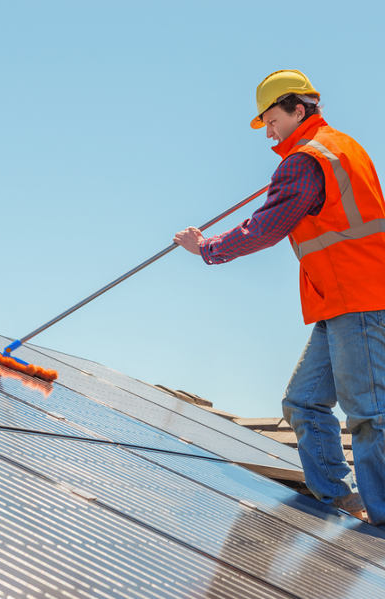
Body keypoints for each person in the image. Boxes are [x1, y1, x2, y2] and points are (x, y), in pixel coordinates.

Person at [173, 69, 385, 527]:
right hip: (341, 298)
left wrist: (206, 247)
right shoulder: (341, 147)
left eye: (272, 121)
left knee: (368, 412)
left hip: (359, 297)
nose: (269, 132)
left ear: (298, 108)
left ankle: (382, 516)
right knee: (304, 401)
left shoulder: (307, 160)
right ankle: (338, 497)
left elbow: (266, 228)